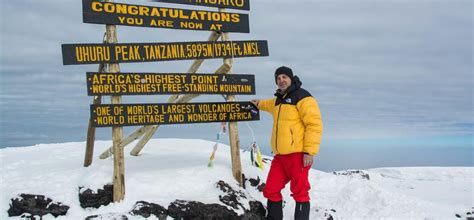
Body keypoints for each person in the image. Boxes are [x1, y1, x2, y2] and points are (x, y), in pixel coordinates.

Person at [250, 66, 323, 220]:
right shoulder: (278, 100)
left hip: (298, 156)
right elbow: (266, 104)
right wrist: (258, 103)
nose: (281, 80)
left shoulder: (303, 97)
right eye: (278, 78)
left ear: (291, 78)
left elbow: (314, 124)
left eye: (284, 77)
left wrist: (309, 151)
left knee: (300, 193)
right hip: (280, 157)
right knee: (271, 189)